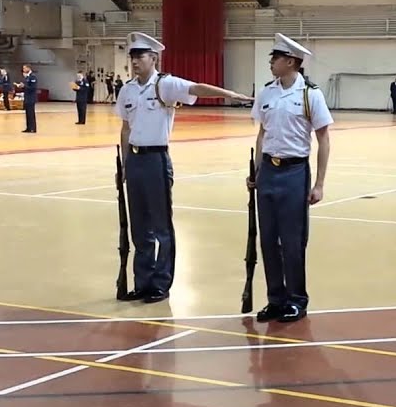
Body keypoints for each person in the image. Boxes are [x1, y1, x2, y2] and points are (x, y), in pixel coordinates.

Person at [114, 32, 251, 303]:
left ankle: (160, 284)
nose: (135, 62)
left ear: (153, 58)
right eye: (132, 57)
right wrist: (125, 166)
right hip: (136, 162)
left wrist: (232, 95)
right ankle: (142, 282)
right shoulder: (127, 89)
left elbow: (197, 88)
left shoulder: (165, 85)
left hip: (156, 160)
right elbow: (125, 128)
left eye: (140, 56)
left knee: (161, 226)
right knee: (139, 227)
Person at [247, 33, 333, 323]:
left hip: (296, 172)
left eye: (277, 58)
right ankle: (275, 299)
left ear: (291, 62)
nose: (271, 62)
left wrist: (319, 184)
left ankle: (296, 300)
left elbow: (324, 140)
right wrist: (256, 171)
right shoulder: (267, 93)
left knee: (293, 241)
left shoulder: (311, 94)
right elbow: (262, 135)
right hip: (269, 172)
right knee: (268, 240)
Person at [20, 64, 37, 132]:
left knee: (31, 113)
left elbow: (33, 88)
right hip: (27, 97)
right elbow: (26, 87)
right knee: (27, 113)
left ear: (28, 68)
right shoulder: (27, 77)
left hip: (31, 98)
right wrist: (21, 86)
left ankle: (33, 128)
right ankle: (28, 127)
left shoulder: (33, 77)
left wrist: (24, 86)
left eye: (24, 68)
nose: (23, 70)